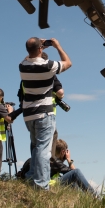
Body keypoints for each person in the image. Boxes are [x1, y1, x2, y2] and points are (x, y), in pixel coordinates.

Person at [19, 37, 71, 190]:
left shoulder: (22, 66)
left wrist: (37, 49)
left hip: (29, 114)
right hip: (44, 114)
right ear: (41, 49)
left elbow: (27, 57)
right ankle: (41, 185)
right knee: (44, 149)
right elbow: (68, 63)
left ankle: (31, 177)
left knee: (36, 147)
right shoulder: (48, 66)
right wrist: (57, 46)